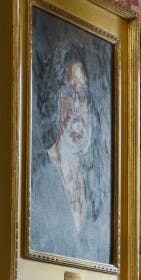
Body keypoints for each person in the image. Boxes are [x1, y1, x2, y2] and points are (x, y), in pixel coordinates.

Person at [30, 42, 111, 263]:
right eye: (69, 92)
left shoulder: (94, 187)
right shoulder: (36, 176)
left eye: (83, 95)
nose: (77, 106)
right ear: (54, 99)